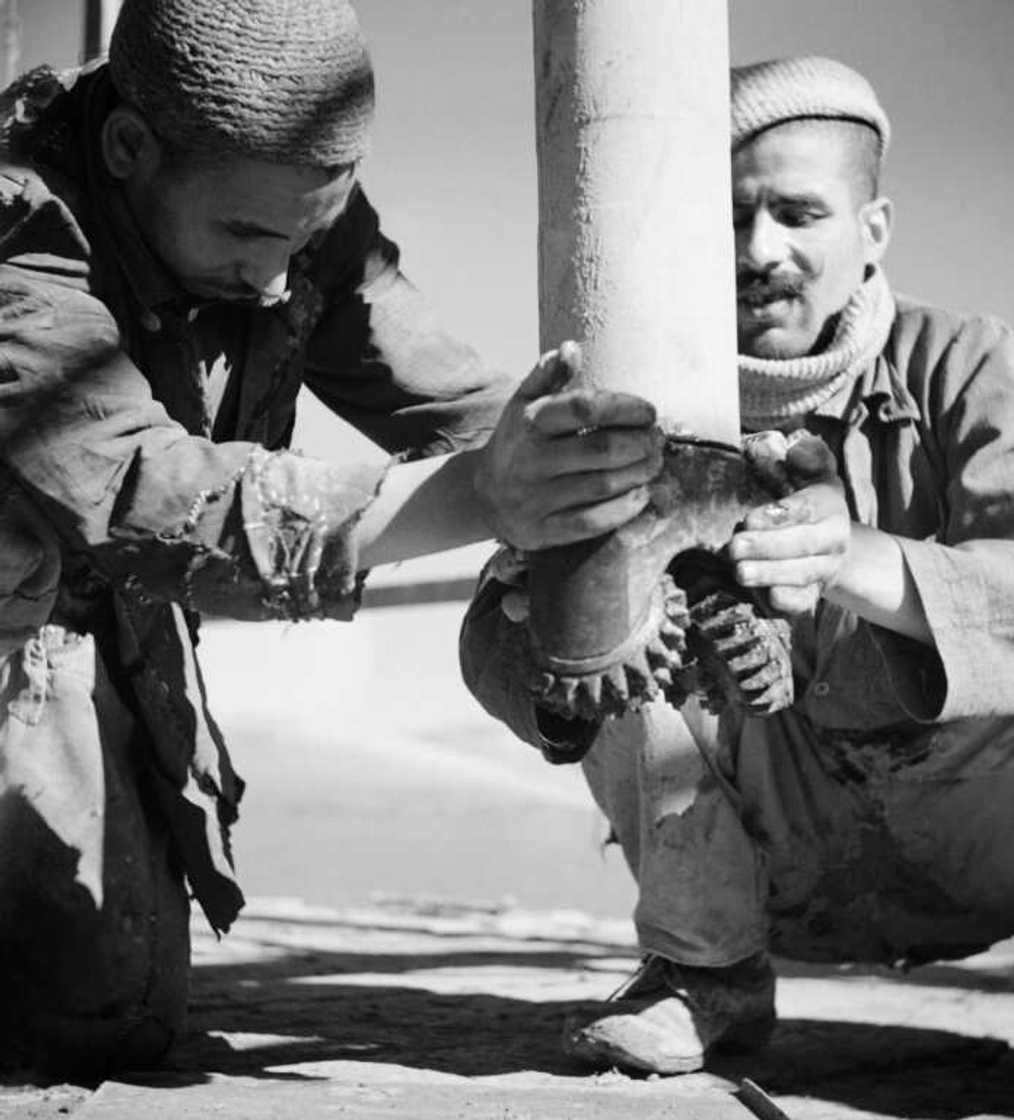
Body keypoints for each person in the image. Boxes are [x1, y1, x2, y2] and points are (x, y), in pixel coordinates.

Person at [0, 0, 662, 1078]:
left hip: (101, 633)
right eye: (250, 236)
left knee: (103, 1016)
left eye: (306, 236)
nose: (276, 276)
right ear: (127, 149)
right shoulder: (17, 228)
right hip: (24, 616)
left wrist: (601, 466)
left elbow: (453, 403)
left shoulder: (289, 217)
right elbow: (134, 487)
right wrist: (479, 499)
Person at [460, 56, 1014, 1079]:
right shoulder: (641, 393)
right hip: (764, 854)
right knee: (600, 597)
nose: (759, 250)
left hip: (968, 826)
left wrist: (861, 564)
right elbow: (509, 653)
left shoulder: (960, 360)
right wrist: (553, 617)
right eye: (728, 218)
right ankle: (704, 974)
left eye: (798, 213)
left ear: (873, 231)